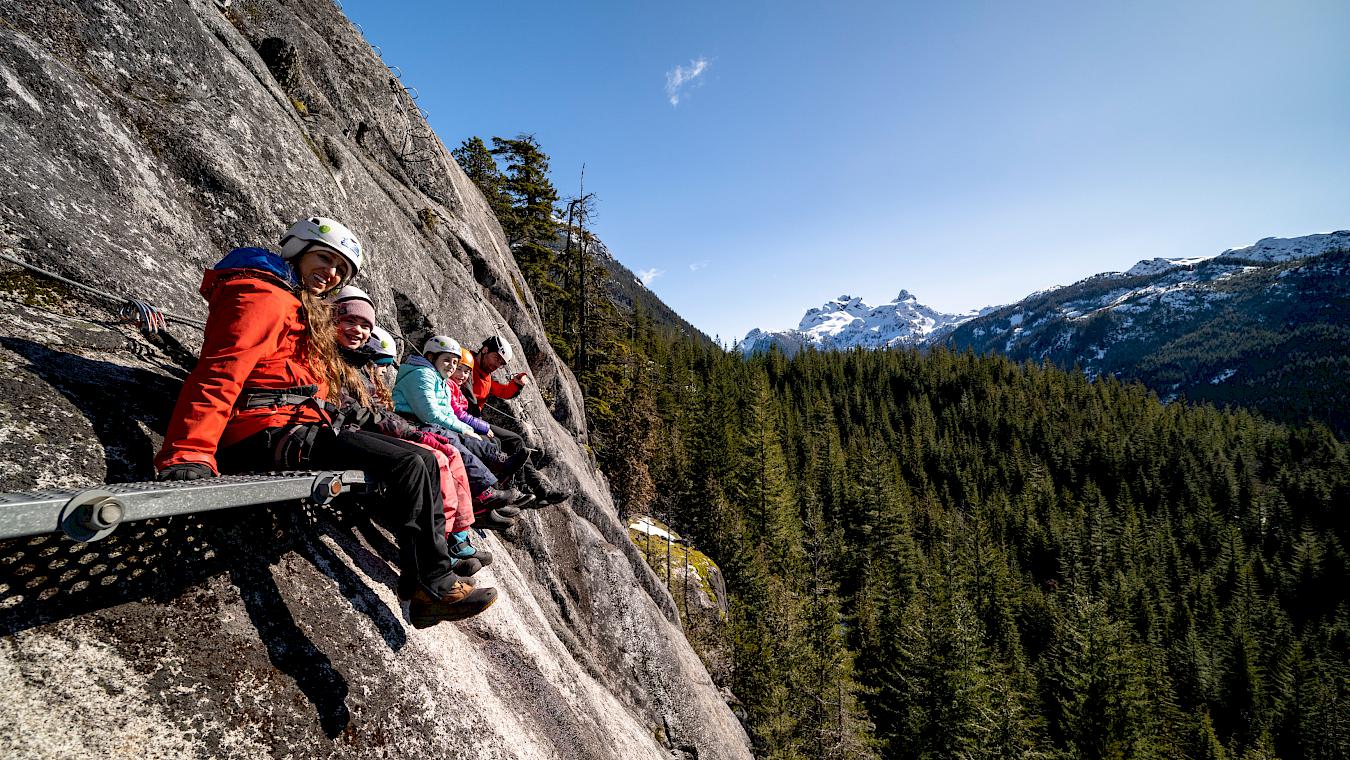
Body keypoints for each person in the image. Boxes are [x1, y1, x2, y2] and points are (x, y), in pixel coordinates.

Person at [153, 216, 495, 627]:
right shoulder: (264, 295)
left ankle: (428, 584)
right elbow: (222, 370)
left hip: (294, 425)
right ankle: (430, 585)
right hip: (264, 431)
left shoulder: (294, 303)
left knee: (419, 459)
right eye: (324, 258)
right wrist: (189, 452)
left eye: (340, 269)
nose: (330, 273)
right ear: (296, 250)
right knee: (413, 462)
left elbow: (302, 384)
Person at [327, 297, 490, 573]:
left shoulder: (361, 371)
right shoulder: (347, 367)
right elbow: (370, 415)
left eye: (385, 364)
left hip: (368, 430)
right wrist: (415, 433)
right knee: (431, 459)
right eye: (379, 361)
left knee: (445, 452)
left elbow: (377, 413)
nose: (382, 369)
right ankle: (441, 548)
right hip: (349, 434)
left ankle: (455, 536)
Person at [393, 335, 533, 524]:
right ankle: (489, 488)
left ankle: (497, 471)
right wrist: (466, 428)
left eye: (455, 362)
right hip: (416, 424)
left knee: (466, 439)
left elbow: (449, 412)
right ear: (432, 357)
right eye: (447, 361)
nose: (452, 367)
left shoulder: (438, 378)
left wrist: (466, 428)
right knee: (454, 442)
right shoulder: (422, 375)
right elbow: (431, 414)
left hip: (428, 423)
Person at [467, 335, 570, 505]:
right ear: (485, 349)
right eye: (496, 359)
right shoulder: (467, 363)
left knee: (516, 440)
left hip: (475, 420)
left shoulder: (486, 375)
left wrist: (516, 384)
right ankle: (521, 488)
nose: (497, 365)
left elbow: (502, 392)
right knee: (499, 444)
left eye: (501, 363)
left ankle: (538, 489)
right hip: (465, 419)